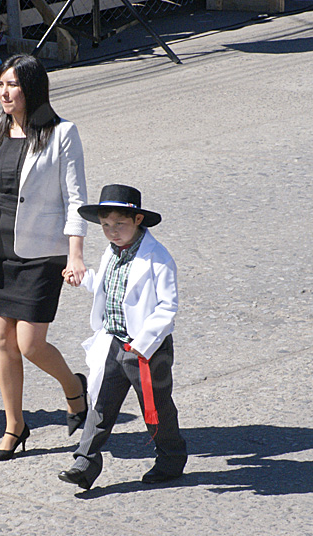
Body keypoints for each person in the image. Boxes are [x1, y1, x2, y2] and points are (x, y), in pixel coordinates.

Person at [0, 53, 89, 462]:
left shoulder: (62, 133)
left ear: (32, 89)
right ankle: (14, 426)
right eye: (0, 85)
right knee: (3, 341)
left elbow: (75, 198)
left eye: (12, 85)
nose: (4, 93)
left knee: (29, 343)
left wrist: (75, 255)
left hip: (42, 251)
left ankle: (74, 389)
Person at [58, 184, 188, 489]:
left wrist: (142, 345)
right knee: (100, 405)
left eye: (119, 224)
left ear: (138, 220)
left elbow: (167, 307)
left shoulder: (158, 257)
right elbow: (109, 288)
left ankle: (171, 459)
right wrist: (84, 278)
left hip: (147, 349)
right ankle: (84, 464)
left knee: (156, 407)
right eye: (105, 225)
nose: (112, 231)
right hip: (114, 342)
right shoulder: (112, 251)